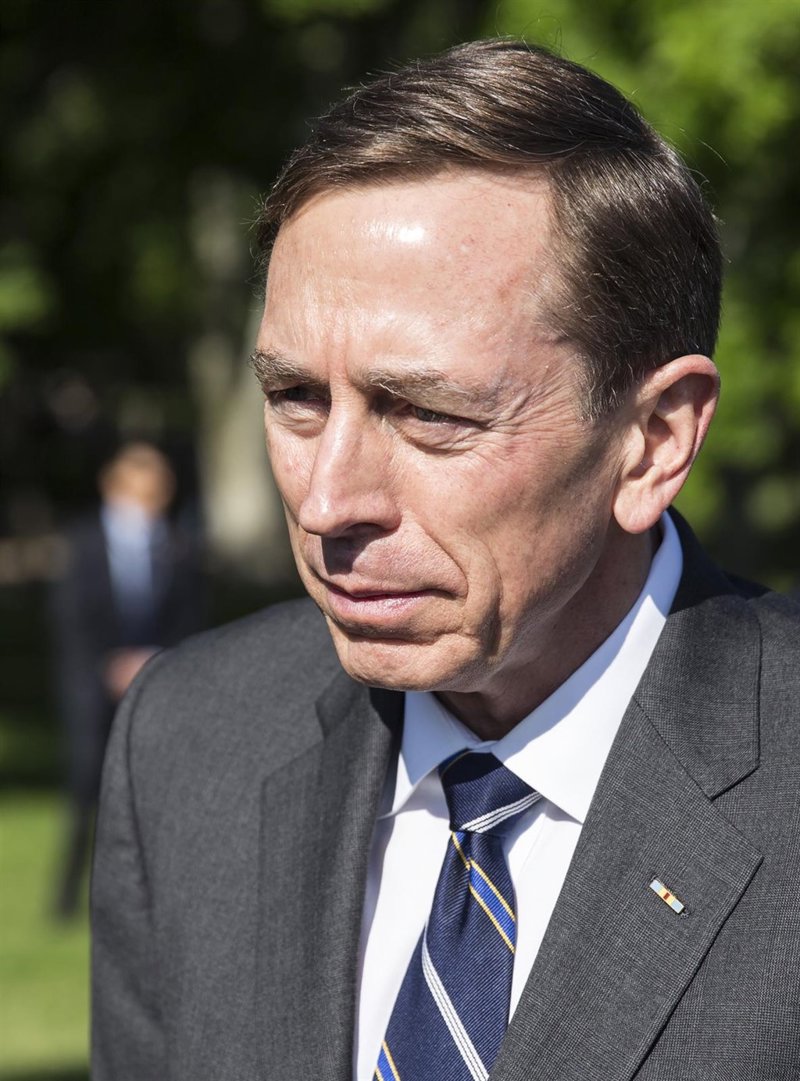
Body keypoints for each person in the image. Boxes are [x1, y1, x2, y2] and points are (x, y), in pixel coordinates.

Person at [91, 40, 800, 1080]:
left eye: (428, 414)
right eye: (295, 398)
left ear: (652, 441)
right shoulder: (190, 742)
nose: (328, 501)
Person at [51, 441, 205, 916]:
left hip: (156, 679)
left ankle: (148, 892)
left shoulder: (177, 546)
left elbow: (190, 620)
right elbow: (70, 618)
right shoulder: (83, 544)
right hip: (92, 686)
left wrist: (153, 661)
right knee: (87, 784)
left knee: (156, 788)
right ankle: (67, 896)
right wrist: (108, 665)